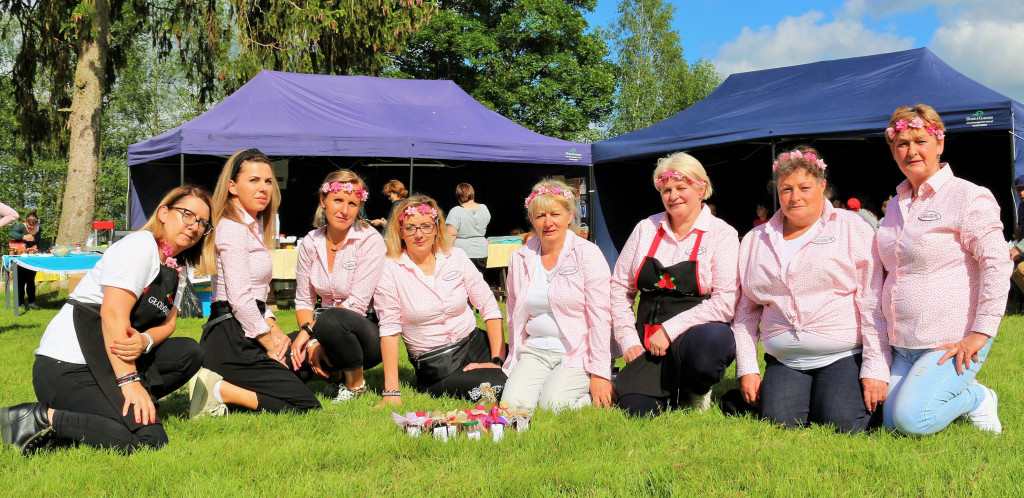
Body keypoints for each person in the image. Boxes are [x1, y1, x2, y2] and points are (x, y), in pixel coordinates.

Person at [1, 186, 212, 454]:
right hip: (68, 368)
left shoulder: (177, 267)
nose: (195, 226)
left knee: (189, 352)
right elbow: (113, 314)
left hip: (109, 360)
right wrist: (130, 382)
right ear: (163, 213)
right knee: (149, 440)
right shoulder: (140, 246)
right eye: (188, 215)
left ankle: (109, 412)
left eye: (203, 223)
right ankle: (36, 417)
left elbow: (169, 323)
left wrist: (146, 339)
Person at [733, 146, 889, 434]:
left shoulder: (852, 228)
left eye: (804, 187)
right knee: (778, 423)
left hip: (843, 352)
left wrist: (875, 368)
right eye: (786, 189)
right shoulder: (756, 239)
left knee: (842, 425)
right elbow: (745, 312)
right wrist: (748, 368)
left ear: (823, 186)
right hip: (785, 359)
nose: (795, 197)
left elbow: (872, 302)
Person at [878, 105, 1010, 435]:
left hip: (953, 340)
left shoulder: (969, 196)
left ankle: (977, 398)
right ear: (893, 151)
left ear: (939, 143)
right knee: (892, 422)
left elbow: (996, 263)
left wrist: (980, 333)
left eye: (920, 140)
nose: (911, 151)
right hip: (903, 343)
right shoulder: (895, 204)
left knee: (913, 420)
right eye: (902, 144)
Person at [190, 148, 320, 418]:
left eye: (268, 181)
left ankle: (231, 382)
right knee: (305, 405)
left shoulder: (252, 225)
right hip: (231, 337)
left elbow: (256, 298)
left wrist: (276, 331)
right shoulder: (233, 228)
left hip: (244, 328)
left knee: (300, 356)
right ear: (232, 187)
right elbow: (239, 300)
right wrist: (270, 344)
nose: (263, 188)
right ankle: (218, 389)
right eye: (254, 180)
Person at [611, 152, 739, 417]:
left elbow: (725, 303)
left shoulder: (722, 234)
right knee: (635, 410)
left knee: (710, 344)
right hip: (648, 341)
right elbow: (619, 289)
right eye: (666, 189)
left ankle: (697, 388)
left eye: (682, 188)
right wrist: (628, 340)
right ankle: (669, 390)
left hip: (694, 337)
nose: (673, 196)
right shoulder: (645, 229)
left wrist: (669, 331)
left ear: (701, 187)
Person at [374, 195, 506, 405]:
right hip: (438, 363)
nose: (419, 234)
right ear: (400, 232)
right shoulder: (389, 269)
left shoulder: (456, 257)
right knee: (503, 383)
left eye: (426, 226)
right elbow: (389, 328)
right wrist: (391, 391)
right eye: (410, 228)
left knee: (523, 364)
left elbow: (489, 307)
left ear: (436, 228)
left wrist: (497, 360)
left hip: (476, 343)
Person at [500, 180, 613, 412]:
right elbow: (513, 313)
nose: (548, 222)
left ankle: (610, 388)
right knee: (513, 407)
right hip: (535, 350)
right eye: (540, 216)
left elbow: (600, 316)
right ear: (531, 219)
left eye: (555, 214)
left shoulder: (587, 254)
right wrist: (513, 357)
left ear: (570, 215)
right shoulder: (519, 258)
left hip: (577, 350)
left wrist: (599, 372)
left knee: (553, 406)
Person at [289, 170, 386, 403]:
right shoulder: (310, 242)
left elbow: (357, 304)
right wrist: (312, 344)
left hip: (364, 332)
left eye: (352, 203)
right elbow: (303, 301)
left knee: (333, 320)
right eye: (338, 200)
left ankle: (356, 385)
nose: (344, 210)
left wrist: (311, 331)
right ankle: (331, 372)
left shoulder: (370, 240)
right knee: (286, 352)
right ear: (323, 201)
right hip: (321, 329)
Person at [446, 183, 491, 272]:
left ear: (458, 196)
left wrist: (446, 251)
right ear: (473, 194)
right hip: (481, 251)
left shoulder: (456, 211)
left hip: (462, 252)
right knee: (478, 280)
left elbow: (451, 234)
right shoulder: (484, 208)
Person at [8, 210, 45, 310]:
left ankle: (32, 302)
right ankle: (20, 303)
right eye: (29, 225)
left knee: (30, 281)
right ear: (26, 221)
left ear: (37, 223)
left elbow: (39, 241)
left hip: (32, 257)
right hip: (20, 257)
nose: (31, 227)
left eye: (34, 225)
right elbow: (11, 233)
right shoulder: (20, 227)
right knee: (20, 281)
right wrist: (23, 236)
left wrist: (37, 246)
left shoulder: (39, 229)